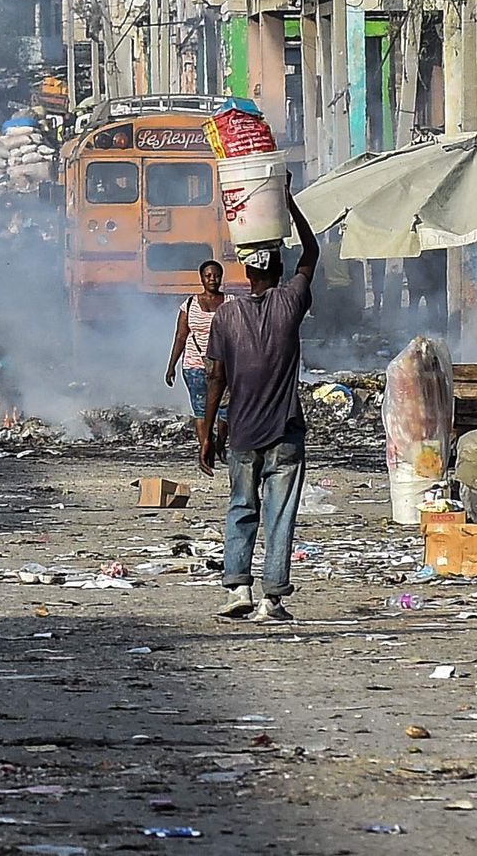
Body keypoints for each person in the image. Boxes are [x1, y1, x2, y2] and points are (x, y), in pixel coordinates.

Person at [199, 185, 319, 625]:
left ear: (245, 273)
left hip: (242, 433)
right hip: (285, 431)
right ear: (280, 270)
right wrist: (289, 204)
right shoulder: (291, 302)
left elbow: (215, 377)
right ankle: (272, 597)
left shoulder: (226, 315)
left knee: (241, 507)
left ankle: (238, 588)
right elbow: (312, 252)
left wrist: (208, 432)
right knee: (280, 514)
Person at [165, 260, 226, 425]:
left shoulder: (230, 303)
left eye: (216, 276)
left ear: (222, 278)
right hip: (194, 365)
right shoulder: (190, 305)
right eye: (208, 276)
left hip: (224, 366)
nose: (212, 279)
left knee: (225, 410)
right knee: (200, 411)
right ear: (201, 278)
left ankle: (219, 444)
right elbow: (181, 337)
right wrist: (172, 366)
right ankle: (206, 445)